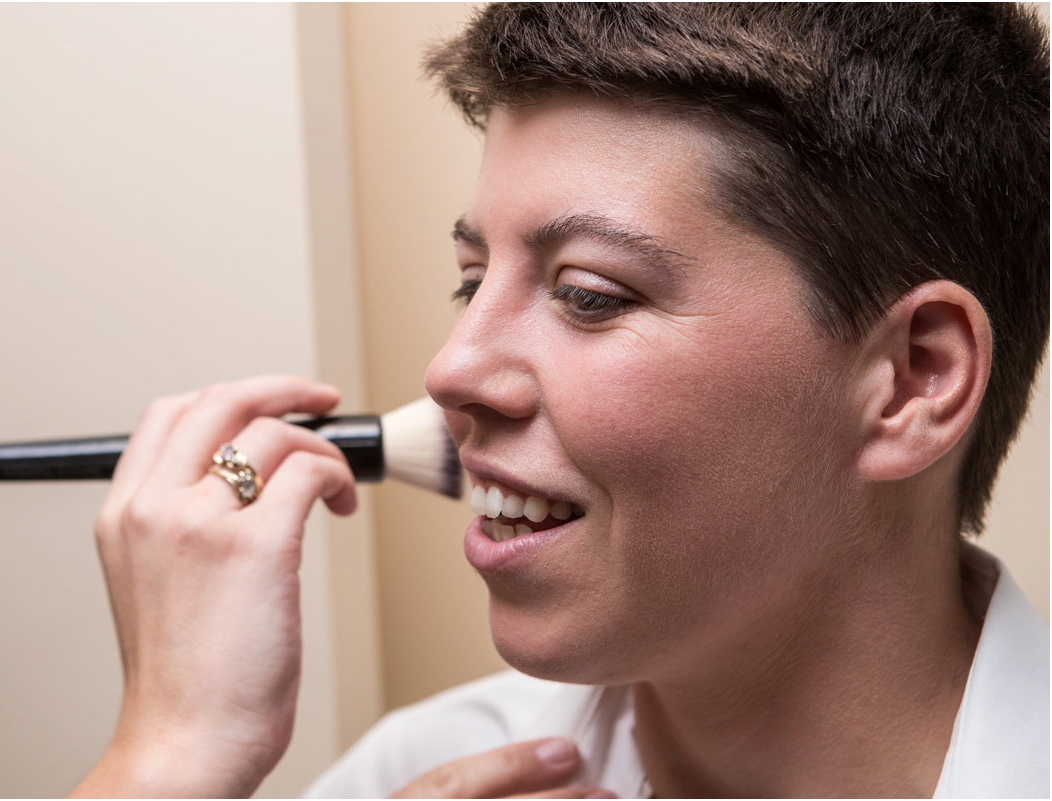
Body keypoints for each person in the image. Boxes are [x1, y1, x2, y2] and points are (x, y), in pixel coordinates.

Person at [72, 4, 1049, 798]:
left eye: (588, 294)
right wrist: (166, 763)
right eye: (470, 280)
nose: (451, 370)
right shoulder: (412, 774)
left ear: (915, 379)